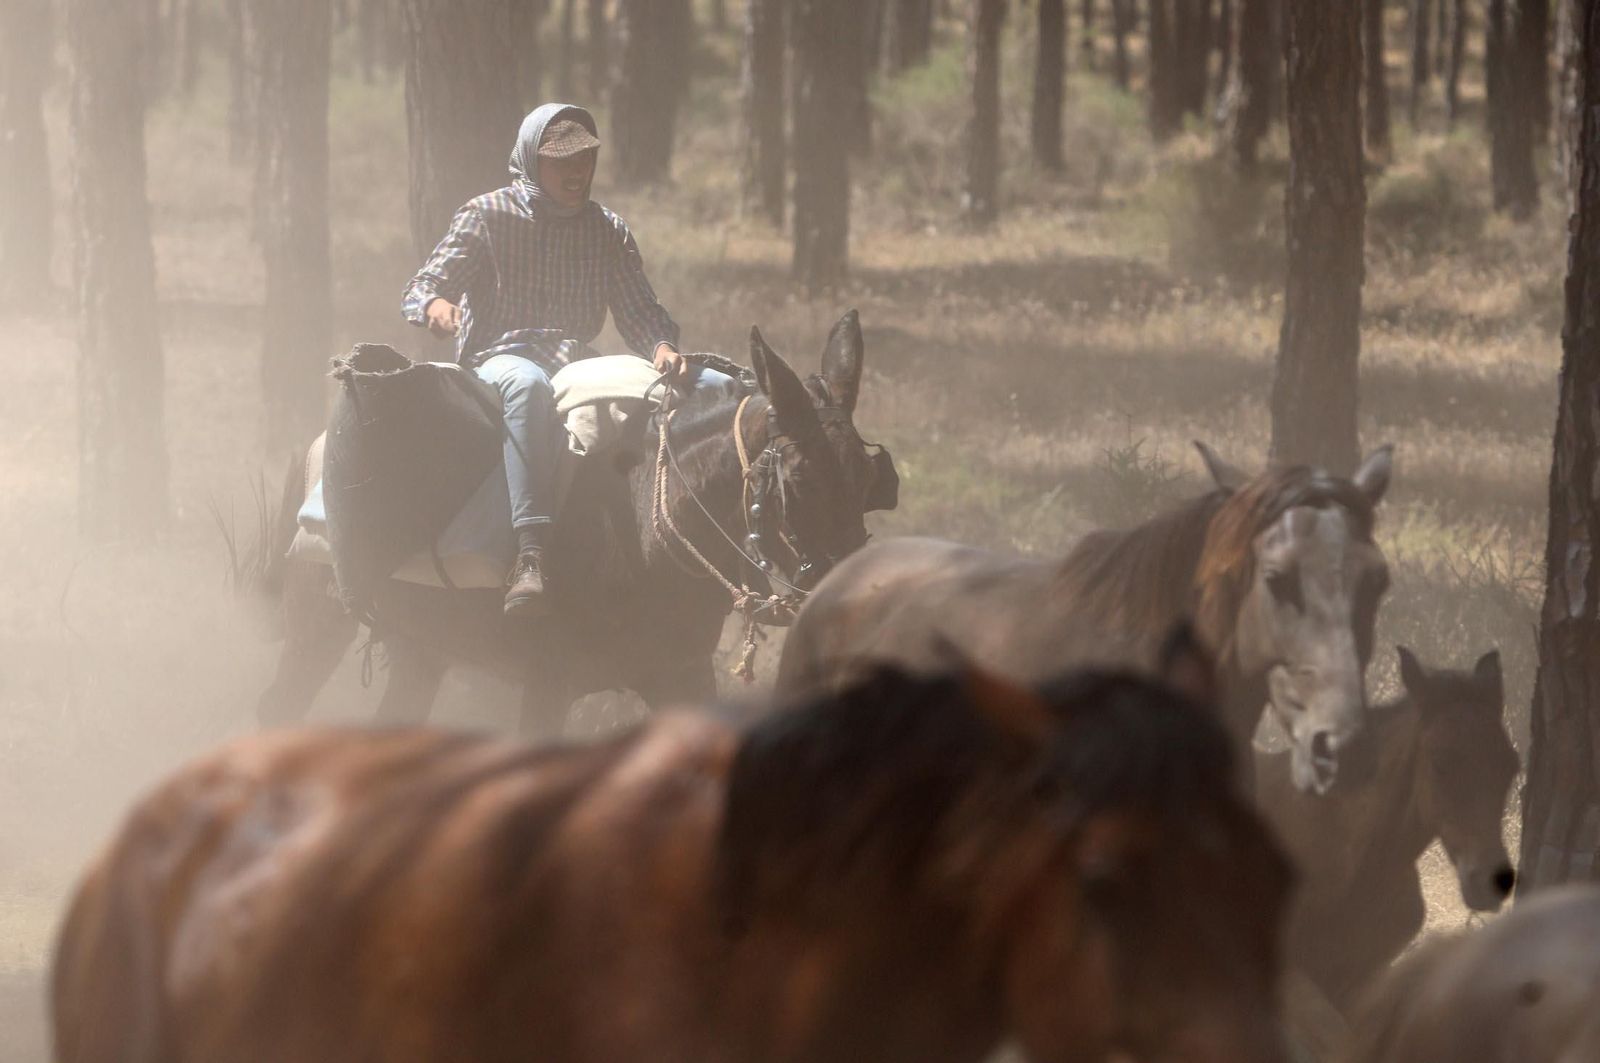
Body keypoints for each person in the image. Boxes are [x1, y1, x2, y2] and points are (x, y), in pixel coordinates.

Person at [402, 103, 734, 618]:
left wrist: (663, 348)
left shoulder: (607, 229)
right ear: (531, 161)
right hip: (502, 358)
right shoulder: (487, 215)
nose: (577, 173)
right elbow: (425, 285)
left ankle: (732, 547)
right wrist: (435, 307)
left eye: (585, 160)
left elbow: (640, 310)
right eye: (562, 162)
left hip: (579, 363)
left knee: (717, 386)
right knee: (528, 386)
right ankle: (529, 553)